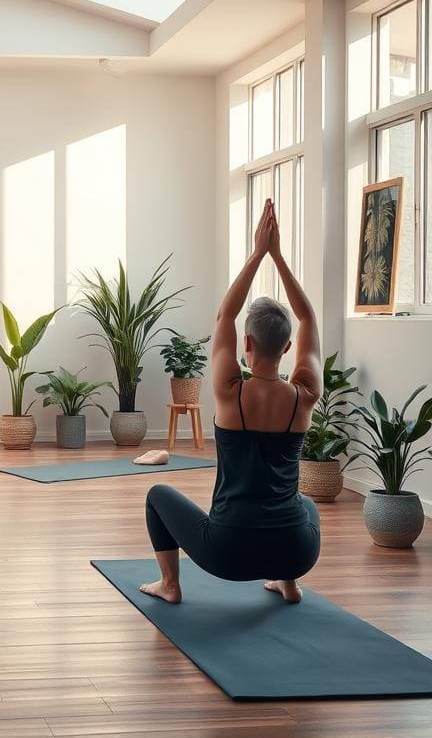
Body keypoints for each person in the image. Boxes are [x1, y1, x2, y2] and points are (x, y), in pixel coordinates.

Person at [139, 199, 323, 604]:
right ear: (288, 346)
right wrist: (279, 257)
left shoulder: (230, 391)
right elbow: (308, 318)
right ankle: (288, 582)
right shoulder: (304, 395)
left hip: (227, 552)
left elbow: (225, 315)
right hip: (297, 550)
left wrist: (259, 253)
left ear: (247, 344)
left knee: (157, 495)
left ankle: (170, 585)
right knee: (303, 502)